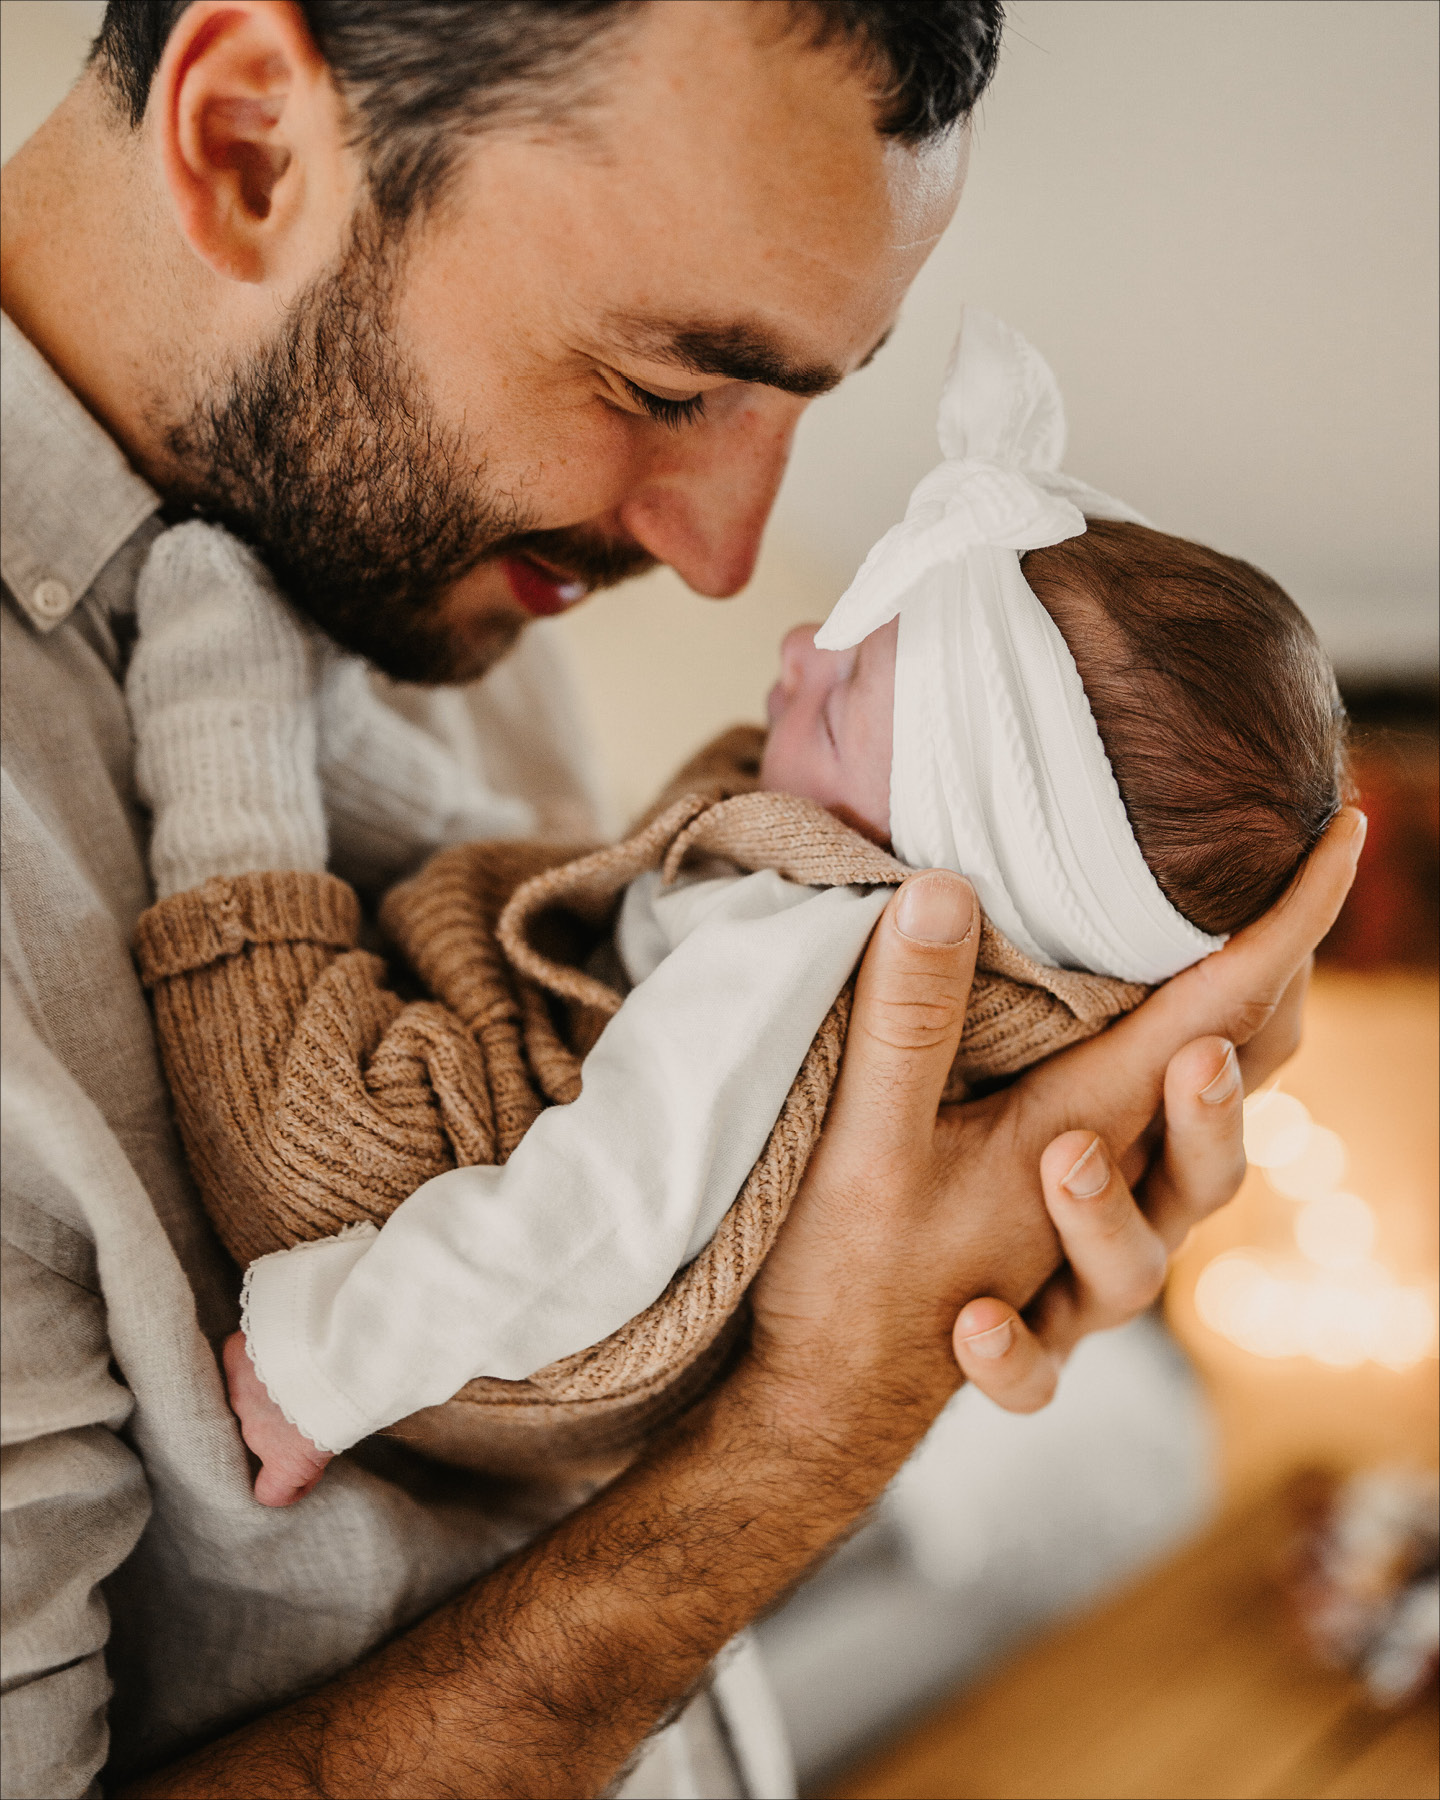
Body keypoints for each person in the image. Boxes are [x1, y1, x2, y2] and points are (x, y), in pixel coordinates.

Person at [0, 4, 1360, 1797]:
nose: (721, 554)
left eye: (801, 399)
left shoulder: (441, 554)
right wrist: (812, 1434)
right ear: (252, 146)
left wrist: (899, 1244)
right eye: (664, 385)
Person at [118, 308, 1346, 1510]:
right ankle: (324, 747)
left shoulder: (800, 943)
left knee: (294, 1094)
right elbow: (588, 892)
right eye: (855, 620)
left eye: (843, 696)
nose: (805, 644)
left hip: (441, 1248)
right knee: (491, 874)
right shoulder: (832, 871)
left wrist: (327, 1368)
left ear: (937, 850)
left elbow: (606, 1203)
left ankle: (224, 716)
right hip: (543, 1130)